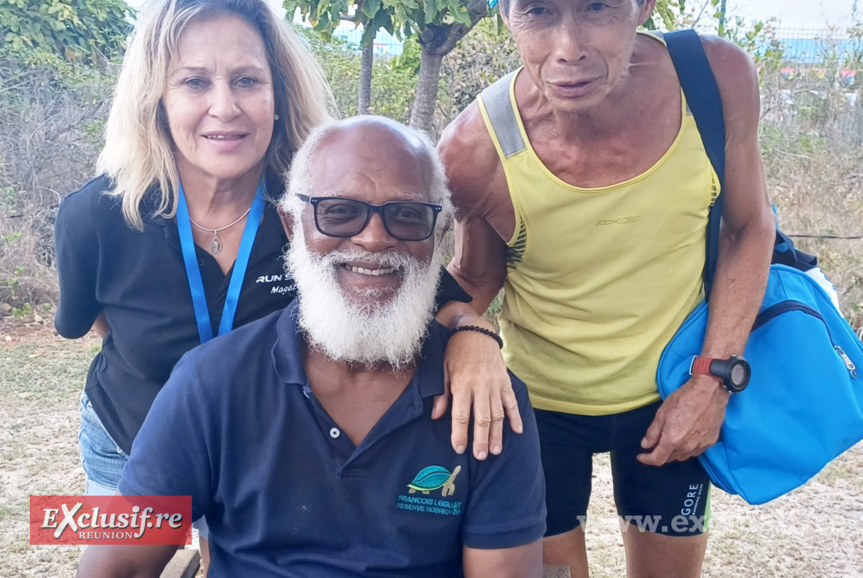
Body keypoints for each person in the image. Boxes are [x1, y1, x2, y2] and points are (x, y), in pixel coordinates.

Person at [53, 0, 504, 570]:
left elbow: (434, 291)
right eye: (194, 82)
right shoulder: (98, 215)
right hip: (126, 437)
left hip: (258, 448)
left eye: (247, 81)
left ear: (278, 93)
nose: (225, 107)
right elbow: (97, 325)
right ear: (155, 97)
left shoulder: (317, 210)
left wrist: (474, 338)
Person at [438, 0, 776, 577]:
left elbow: (747, 227)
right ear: (505, 14)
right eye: (537, 11)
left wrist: (711, 381)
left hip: (671, 387)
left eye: (597, 6)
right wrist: (463, 339)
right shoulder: (475, 148)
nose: (568, 48)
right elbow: (471, 277)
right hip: (539, 409)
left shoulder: (714, 81)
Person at [76, 117, 547, 578]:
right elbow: (122, 563)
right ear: (292, 224)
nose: (373, 239)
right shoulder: (211, 383)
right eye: (340, 211)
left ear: (439, 235)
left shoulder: (488, 402)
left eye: (407, 215)